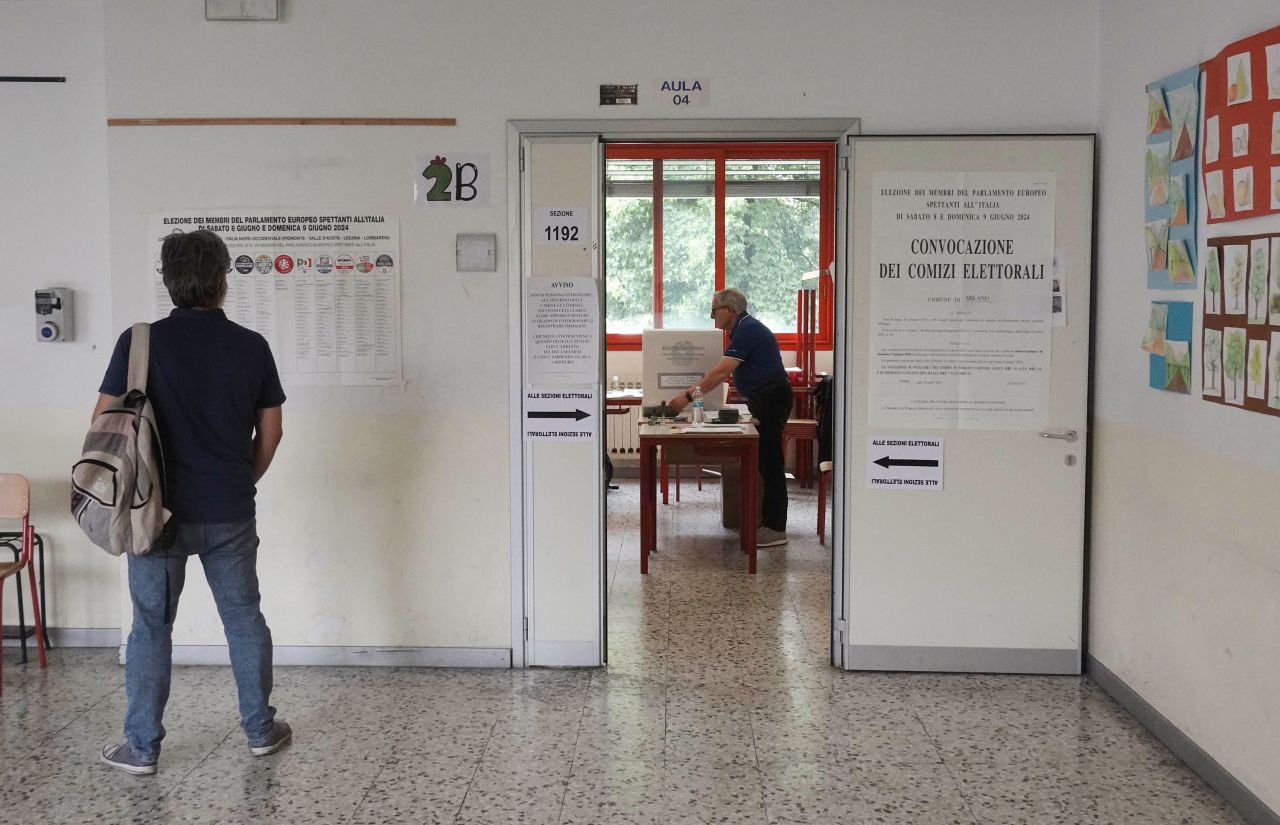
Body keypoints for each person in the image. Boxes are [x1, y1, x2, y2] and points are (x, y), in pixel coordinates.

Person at [95, 229, 290, 775]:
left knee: (151, 626)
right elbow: (271, 433)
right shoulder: (251, 346)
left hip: (152, 513)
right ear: (224, 278)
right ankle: (259, 732)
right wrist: (239, 479)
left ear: (169, 280)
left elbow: (102, 423)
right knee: (244, 618)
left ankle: (142, 748)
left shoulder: (139, 344)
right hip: (229, 509)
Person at [669, 287, 792, 547]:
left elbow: (718, 374)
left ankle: (776, 528)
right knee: (765, 461)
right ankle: (768, 522)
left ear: (730, 310)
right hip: (765, 397)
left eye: (715, 309)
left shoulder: (747, 330)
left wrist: (686, 398)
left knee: (770, 462)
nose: (712, 315)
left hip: (771, 398)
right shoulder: (741, 329)